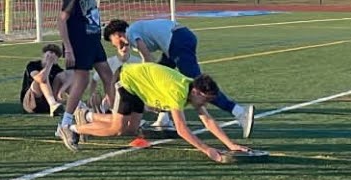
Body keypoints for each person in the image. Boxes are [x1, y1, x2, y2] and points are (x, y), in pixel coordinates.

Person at [70, 62, 250, 162]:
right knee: (117, 128)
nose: (206, 104)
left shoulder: (192, 90)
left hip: (140, 87)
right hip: (127, 80)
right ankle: (74, 129)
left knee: (131, 129)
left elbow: (208, 121)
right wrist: (207, 150)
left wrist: (231, 145)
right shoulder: (177, 92)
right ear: (196, 92)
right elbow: (181, 129)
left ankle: (87, 115)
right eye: (206, 99)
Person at [103, 18, 254, 138]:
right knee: (163, 81)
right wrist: (124, 52)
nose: (113, 45)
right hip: (179, 38)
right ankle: (164, 118)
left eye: (112, 41)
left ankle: (239, 112)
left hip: (177, 42)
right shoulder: (133, 31)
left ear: (117, 35)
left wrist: (146, 82)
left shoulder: (131, 33)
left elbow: (147, 59)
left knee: (198, 87)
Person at [55, 0, 115, 151]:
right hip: (80, 41)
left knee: (108, 76)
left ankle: (117, 115)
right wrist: (69, 49)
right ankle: (64, 123)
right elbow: (62, 19)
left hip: (93, 40)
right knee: (82, 80)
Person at [21, 44, 71, 115]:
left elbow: (70, 80)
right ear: (44, 54)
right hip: (32, 102)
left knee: (62, 76)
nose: (52, 55)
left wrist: (61, 90)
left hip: (48, 104)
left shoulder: (57, 69)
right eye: (50, 52)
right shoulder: (33, 65)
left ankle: (78, 104)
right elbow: (40, 79)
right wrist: (49, 64)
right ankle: (53, 104)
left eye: (56, 54)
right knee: (42, 77)